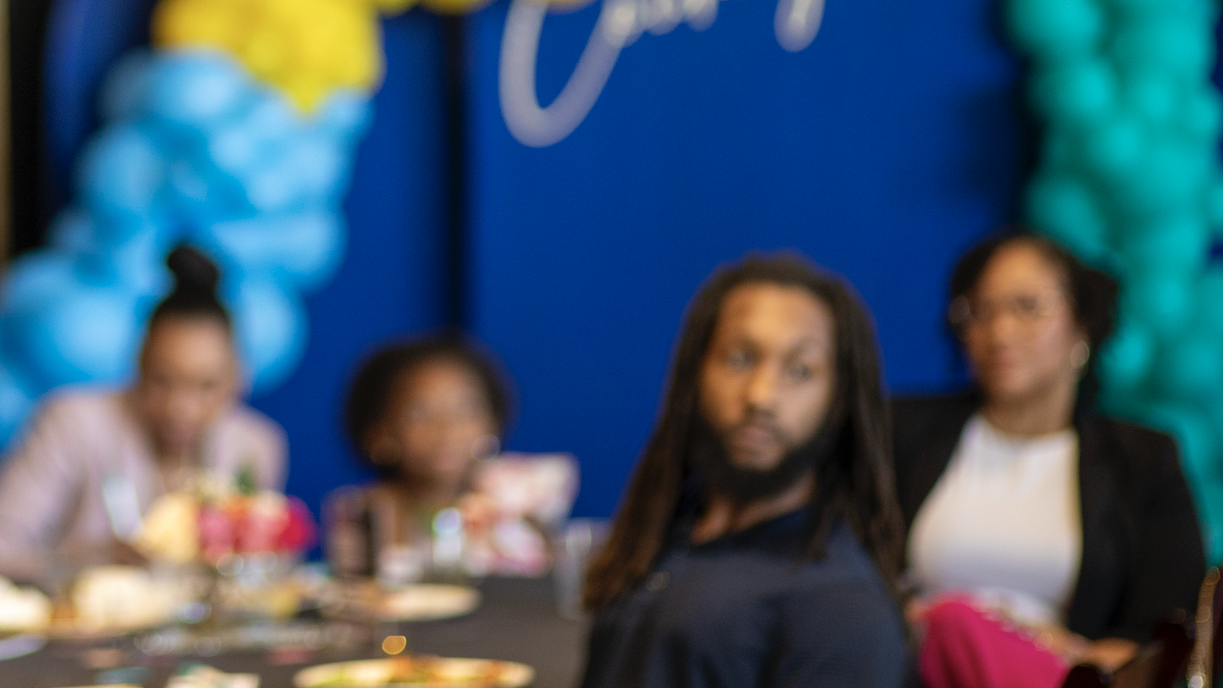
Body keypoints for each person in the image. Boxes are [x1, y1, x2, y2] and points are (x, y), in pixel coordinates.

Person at [579, 253, 907, 688]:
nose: (761, 396)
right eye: (739, 359)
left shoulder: (839, 604)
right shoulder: (659, 538)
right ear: (695, 372)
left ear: (839, 401)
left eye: (799, 370)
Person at [896, 231, 1207, 687]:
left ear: (1082, 327)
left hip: (1064, 677)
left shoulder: (1142, 461)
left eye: (1027, 307)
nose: (999, 331)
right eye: (980, 310)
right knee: (950, 623)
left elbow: (1164, 638)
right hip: (915, 668)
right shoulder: (900, 433)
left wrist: (1069, 650)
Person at [0, 245, 285, 584]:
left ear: (238, 379)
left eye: (206, 386)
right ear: (137, 364)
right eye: (162, 380)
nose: (180, 408)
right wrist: (92, 561)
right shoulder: (71, 423)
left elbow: (256, 578)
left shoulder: (255, 446)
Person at [324, 333, 577, 580]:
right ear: (379, 433)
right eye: (419, 413)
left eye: (466, 409)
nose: (447, 429)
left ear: (493, 422)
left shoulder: (519, 492)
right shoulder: (360, 511)